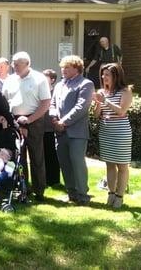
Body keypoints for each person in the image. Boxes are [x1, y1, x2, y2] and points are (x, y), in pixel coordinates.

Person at [2, 51, 51, 201]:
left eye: (18, 64)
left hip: (34, 120)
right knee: (18, 157)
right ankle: (23, 187)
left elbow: (45, 103)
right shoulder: (10, 80)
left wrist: (29, 120)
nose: (14, 67)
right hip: (15, 121)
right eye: (13, 64)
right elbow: (4, 101)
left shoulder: (39, 78)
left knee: (36, 156)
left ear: (27, 64)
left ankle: (39, 190)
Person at [50, 55, 94, 206]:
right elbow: (52, 104)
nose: (63, 70)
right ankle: (71, 193)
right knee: (65, 163)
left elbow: (81, 107)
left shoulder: (85, 84)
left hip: (77, 133)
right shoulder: (59, 85)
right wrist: (54, 118)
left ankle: (83, 195)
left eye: (67, 67)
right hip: (60, 132)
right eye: (62, 67)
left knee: (77, 163)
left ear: (77, 69)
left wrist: (64, 121)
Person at [93, 63, 133, 209]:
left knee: (122, 166)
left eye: (107, 74)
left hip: (120, 131)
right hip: (106, 130)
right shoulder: (102, 92)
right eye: (103, 75)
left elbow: (121, 111)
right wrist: (98, 103)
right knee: (109, 164)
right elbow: (97, 115)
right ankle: (111, 194)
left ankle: (120, 196)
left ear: (116, 76)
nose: (104, 77)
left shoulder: (125, 91)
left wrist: (105, 101)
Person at [42, 68, 61, 186]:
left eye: (45, 77)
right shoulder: (40, 90)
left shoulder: (55, 92)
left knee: (51, 154)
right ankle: (43, 178)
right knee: (42, 154)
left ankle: (54, 180)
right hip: (40, 127)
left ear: (52, 79)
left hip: (50, 128)